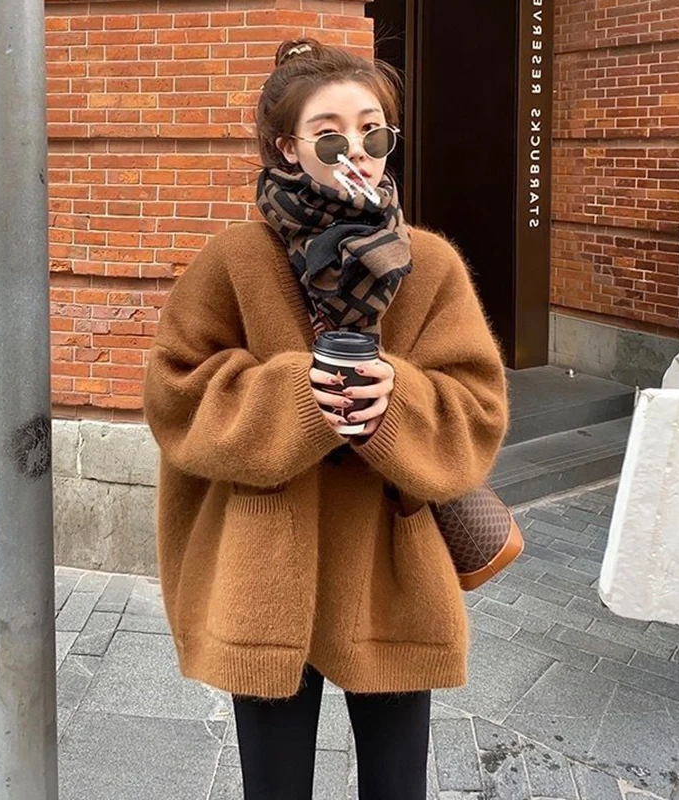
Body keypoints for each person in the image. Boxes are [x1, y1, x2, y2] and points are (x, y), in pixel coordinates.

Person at [142, 37, 509, 800]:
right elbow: (175, 394)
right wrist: (297, 397)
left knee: (396, 785)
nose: (358, 154)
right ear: (289, 146)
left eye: (374, 134)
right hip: (267, 565)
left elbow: (478, 405)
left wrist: (396, 399)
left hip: (392, 564)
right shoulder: (234, 260)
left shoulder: (431, 263)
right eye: (331, 136)